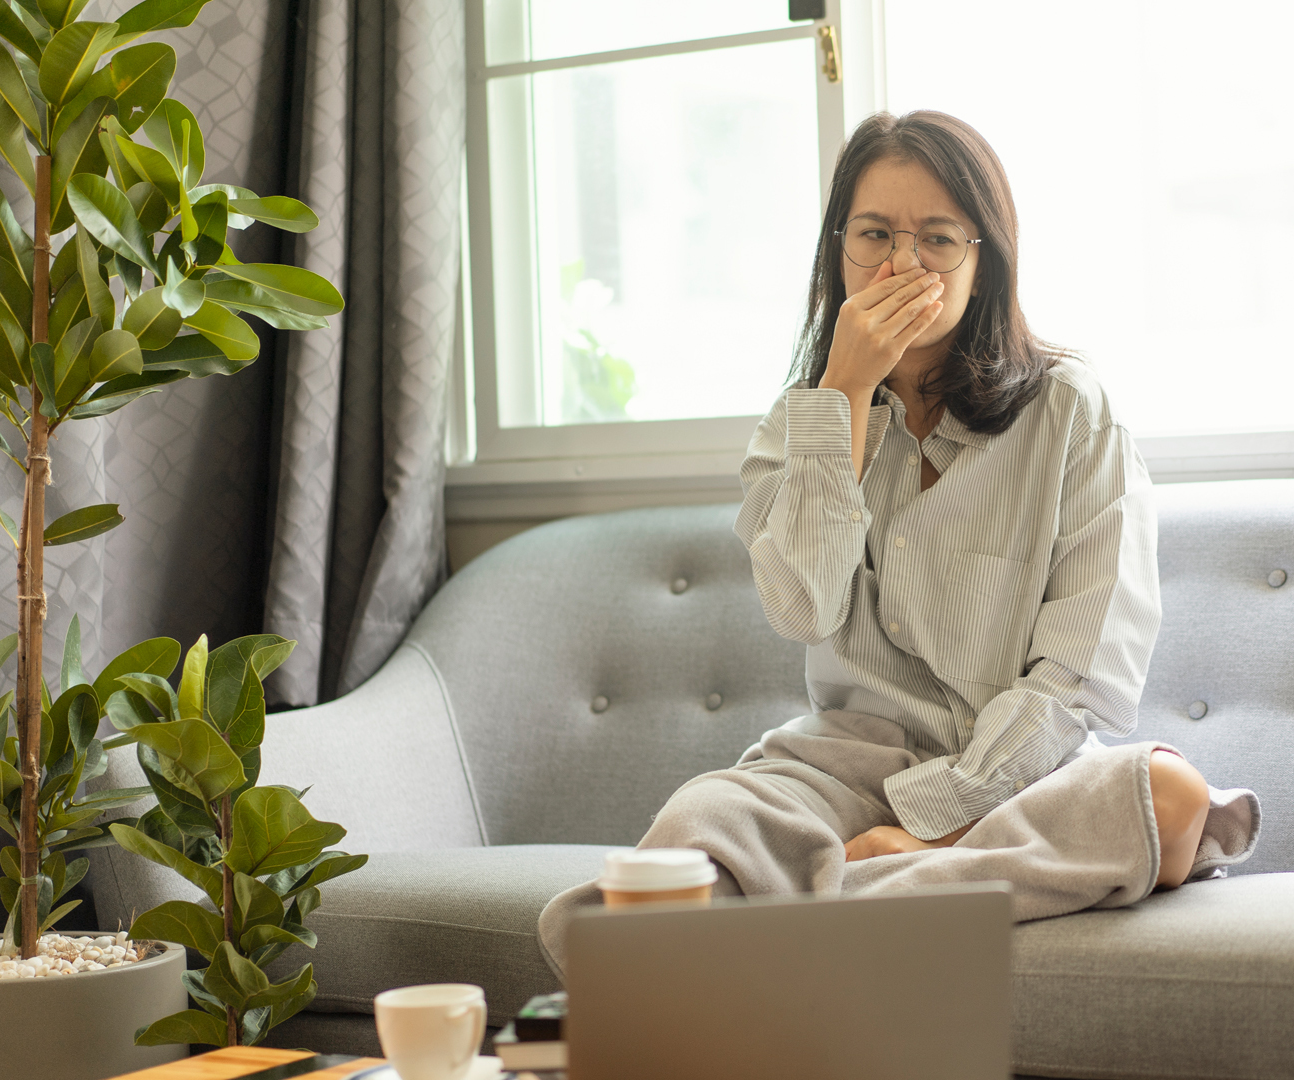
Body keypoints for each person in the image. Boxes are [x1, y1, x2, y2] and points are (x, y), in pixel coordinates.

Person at [538, 112, 1257, 949]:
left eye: (939, 240)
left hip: (1016, 779)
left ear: (984, 262)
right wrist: (843, 393)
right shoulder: (794, 423)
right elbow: (803, 608)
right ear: (837, 251)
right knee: (700, 826)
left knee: (1169, 801)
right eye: (875, 234)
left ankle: (841, 888)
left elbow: (1082, 680)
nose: (902, 264)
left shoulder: (1073, 410)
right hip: (836, 776)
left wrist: (937, 821)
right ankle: (885, 885)